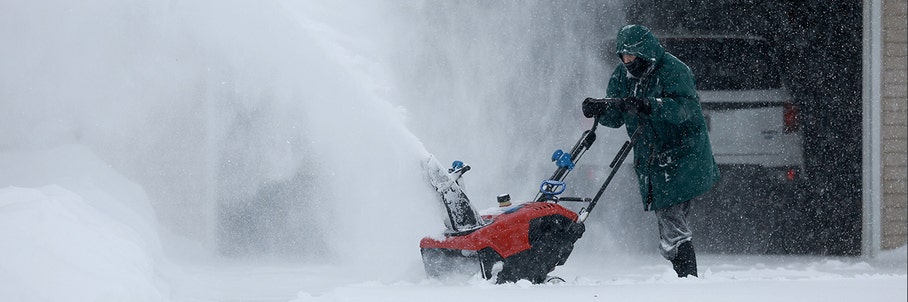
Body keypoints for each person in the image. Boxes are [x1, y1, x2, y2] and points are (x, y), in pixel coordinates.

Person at [581, 24, 720, 278]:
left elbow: (684, 109)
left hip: (682, 154)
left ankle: (687, 279)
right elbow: (617, 116)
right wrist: (601, 109)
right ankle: (685, 276)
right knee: (670, 218)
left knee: (671, 218)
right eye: (624, 57)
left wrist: (649, 105)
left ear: (646, 53)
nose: (628, 62)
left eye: (633, 57)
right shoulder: (622, 76)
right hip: (652, 157)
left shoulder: (674, 70)